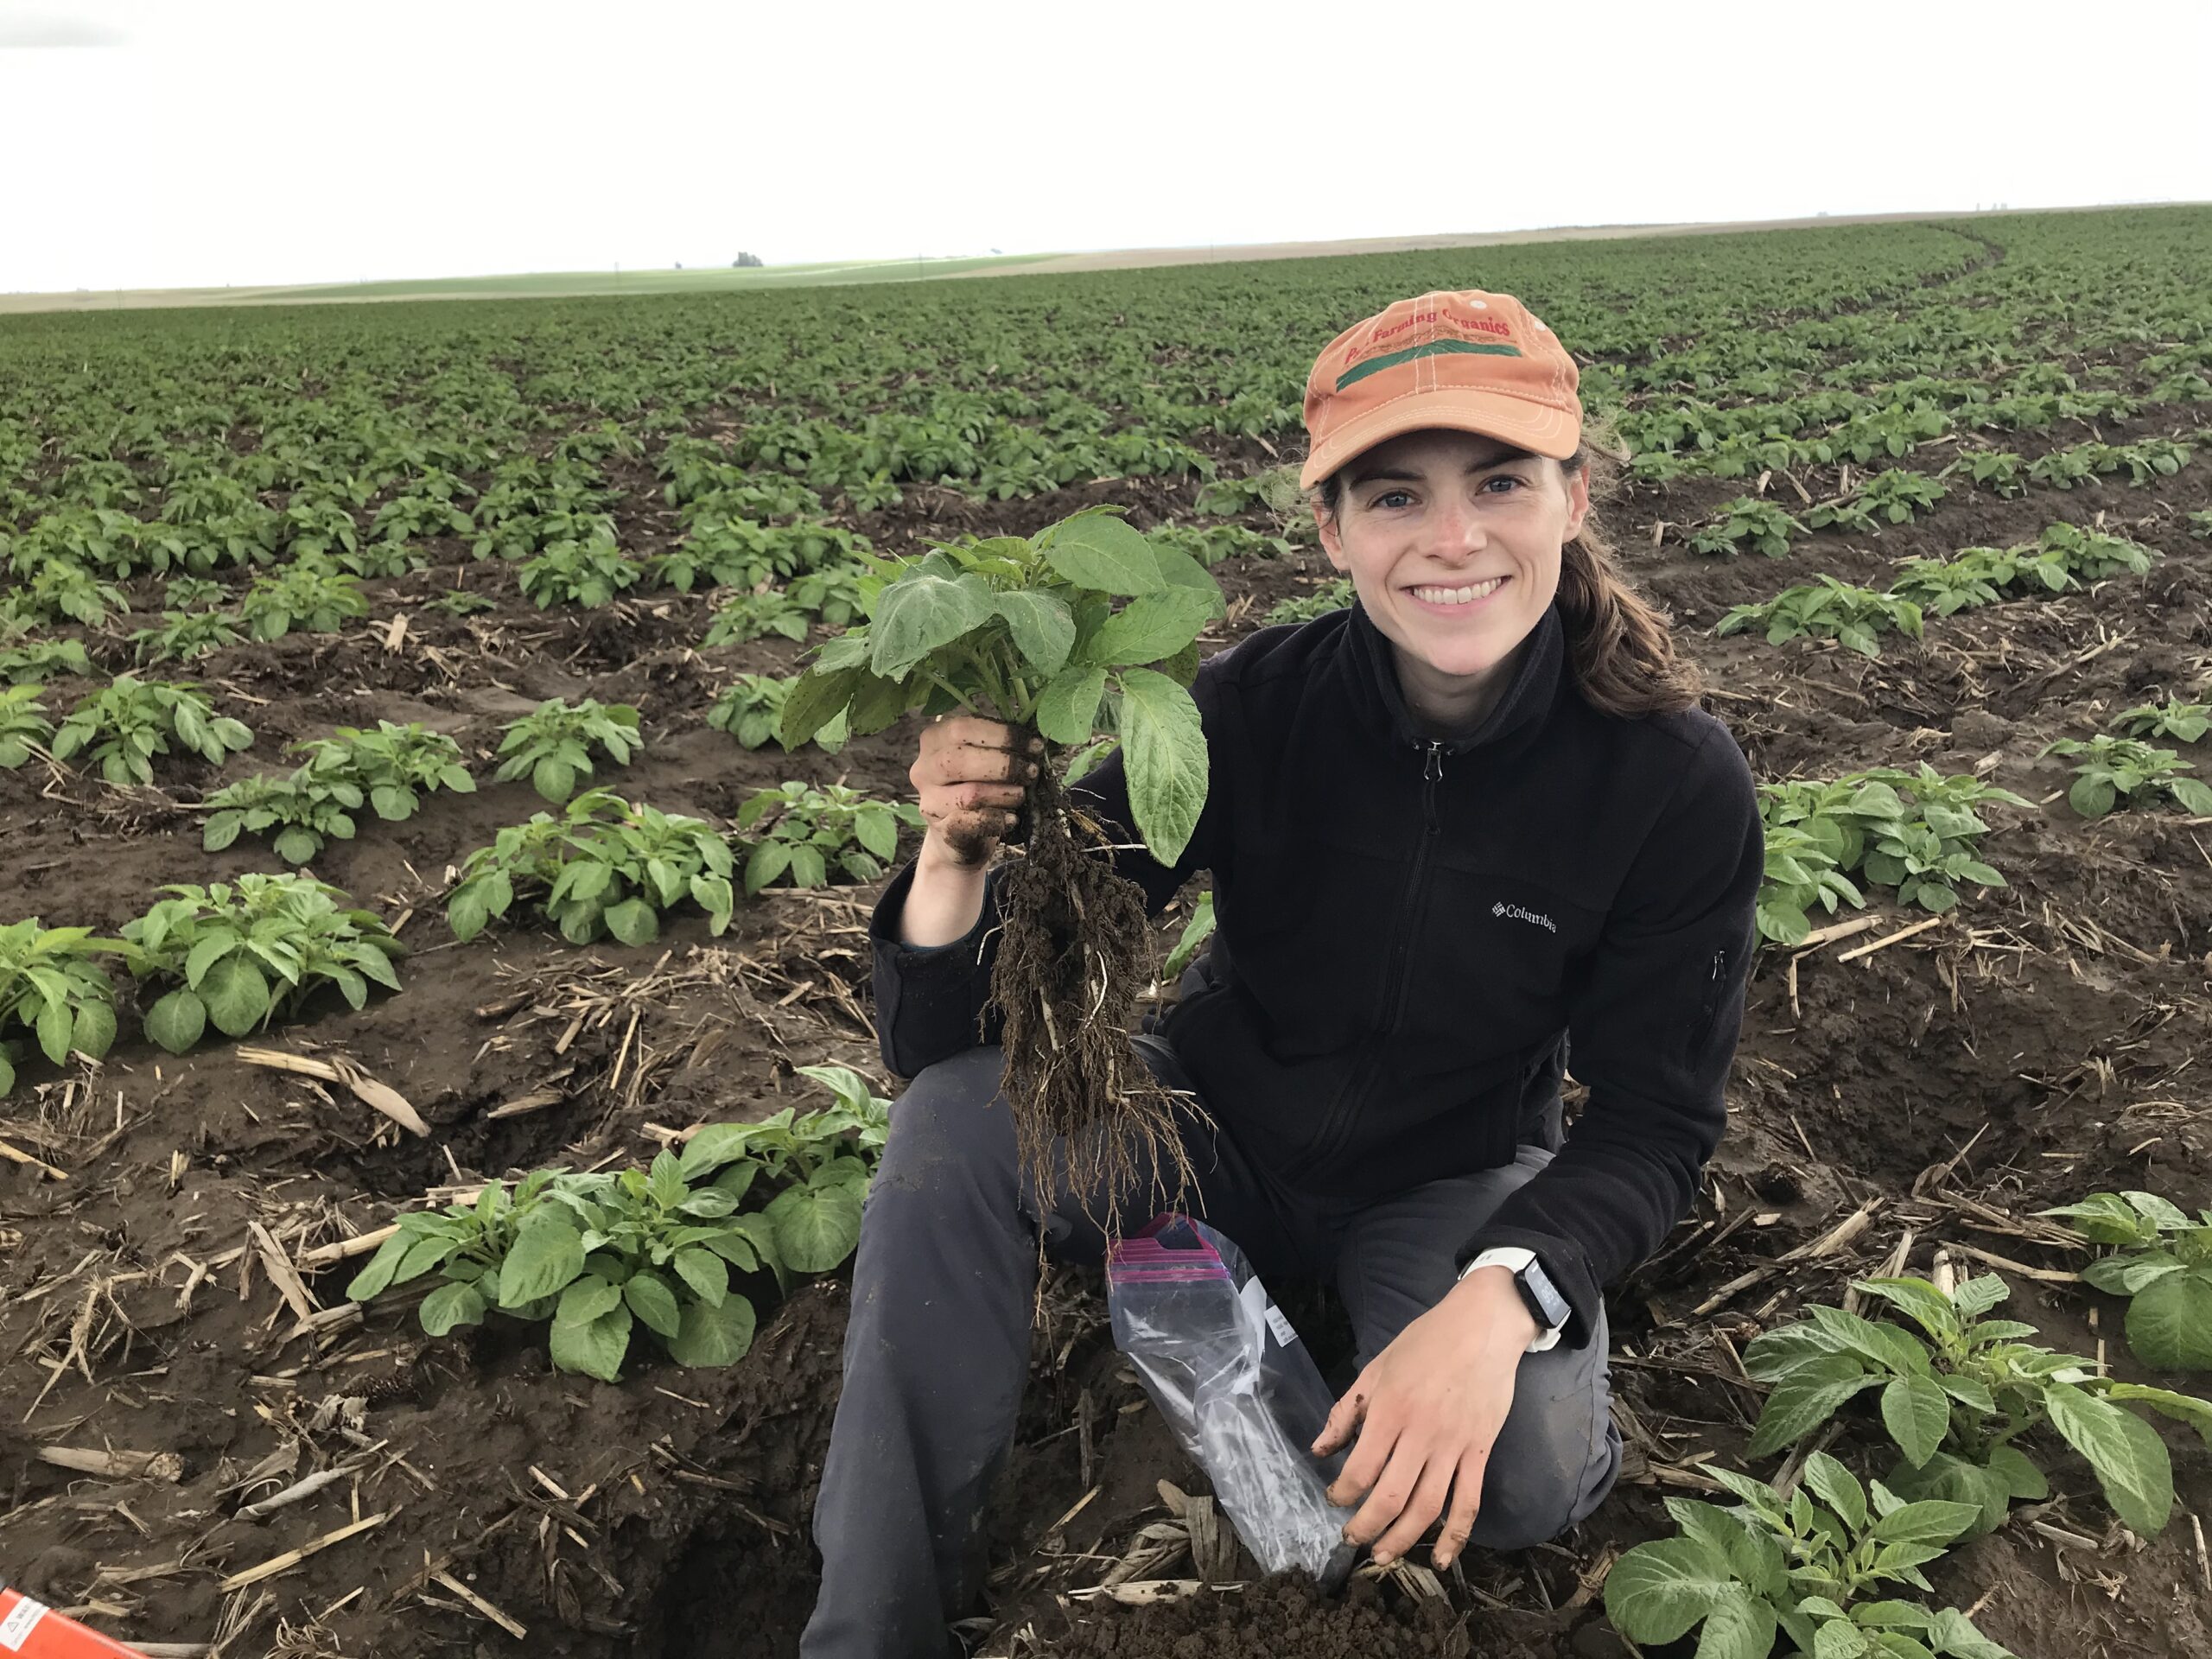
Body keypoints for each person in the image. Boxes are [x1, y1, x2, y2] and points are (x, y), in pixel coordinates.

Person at [800, 289, 1763, 1658]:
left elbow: (1660, 1121)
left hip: (1450, 1183)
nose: (1451, 539)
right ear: (1331, 529)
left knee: (1526, 1476)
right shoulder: (1247, 710)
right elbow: (951, 1037)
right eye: (1392, 497)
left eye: (1499, 480)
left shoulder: (1670, 780)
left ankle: (1396, 1322)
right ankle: (874, 1629)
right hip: (1212, 1149)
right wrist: (956, 860)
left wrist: (1504, 1297)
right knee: (954, 1122)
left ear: (1574, 496)